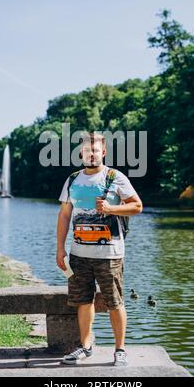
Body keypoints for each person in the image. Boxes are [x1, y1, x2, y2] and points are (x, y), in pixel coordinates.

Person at [56, 133, 143, 366]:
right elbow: (64, 216)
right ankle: (85, 347)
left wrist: (111, 208)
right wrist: (59, 249)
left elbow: (137, 206)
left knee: (115, 302)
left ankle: (120, 350)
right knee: (83, 301)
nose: (90, 154)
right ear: (81, 153)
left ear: (103, 152)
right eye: (86, 150)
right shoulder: (73, 179)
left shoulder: (115, 177)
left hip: (110, 255)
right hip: (78, 254)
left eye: (95, 150)